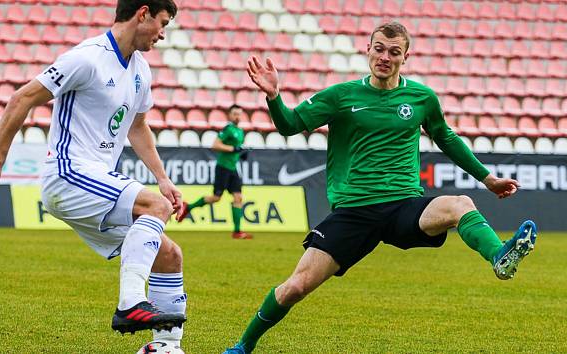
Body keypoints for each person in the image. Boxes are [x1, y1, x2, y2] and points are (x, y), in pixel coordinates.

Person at [223, 22, 539, 354]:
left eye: (393, 51)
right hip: (354, 211)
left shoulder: (422, 97)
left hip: (404, 206)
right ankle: (244, 345)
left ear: (405, 57)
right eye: (379, 48)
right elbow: (289, 125)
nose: (384, 57)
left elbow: (445, 137)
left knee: (460, 204)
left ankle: (499, 257)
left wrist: (488, 179)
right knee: (295, 288)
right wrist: (274, 96)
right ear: (368, 50)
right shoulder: (341, 96)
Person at [0, 0, 188, 349]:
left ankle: (165, 347)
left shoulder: (141, 70)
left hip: (95, 178)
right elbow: (21, 98)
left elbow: (138, 126)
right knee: (155, 207)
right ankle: (130, 303)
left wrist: (163, 177)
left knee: (169, 255)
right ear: (142, 13)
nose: (163, 34)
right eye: (162, 23)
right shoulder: (87, 57)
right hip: (67, 174)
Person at [176, 104, 253, 240]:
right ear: (230, 115)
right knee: (216, 198)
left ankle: (237, 231)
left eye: (239, 114)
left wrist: (241, 153)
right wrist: (233, 149)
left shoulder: (240, 131)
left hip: (233, 168)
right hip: (223, 167)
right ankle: (188, 207)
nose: (237, 116)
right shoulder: (228, 129)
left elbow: (236, 149)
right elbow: (215, 145)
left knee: (238, 197)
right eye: (235, 114)